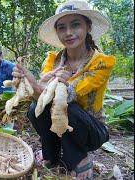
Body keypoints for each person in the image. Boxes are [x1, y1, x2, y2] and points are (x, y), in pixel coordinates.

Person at [12, 0, 115, 179]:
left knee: (67, 108)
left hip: (91, 130)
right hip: (61, 124)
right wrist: (29, 83)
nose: (68, 33)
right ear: (57, 32)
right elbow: (43, 97)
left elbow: (64, 97)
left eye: (75, 25)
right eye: (62, 27)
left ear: (88, 26)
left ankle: (79, 157)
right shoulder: (52, 61)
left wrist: (36, 85)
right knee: (35, 109)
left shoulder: (100, 63)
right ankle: (50, 153)